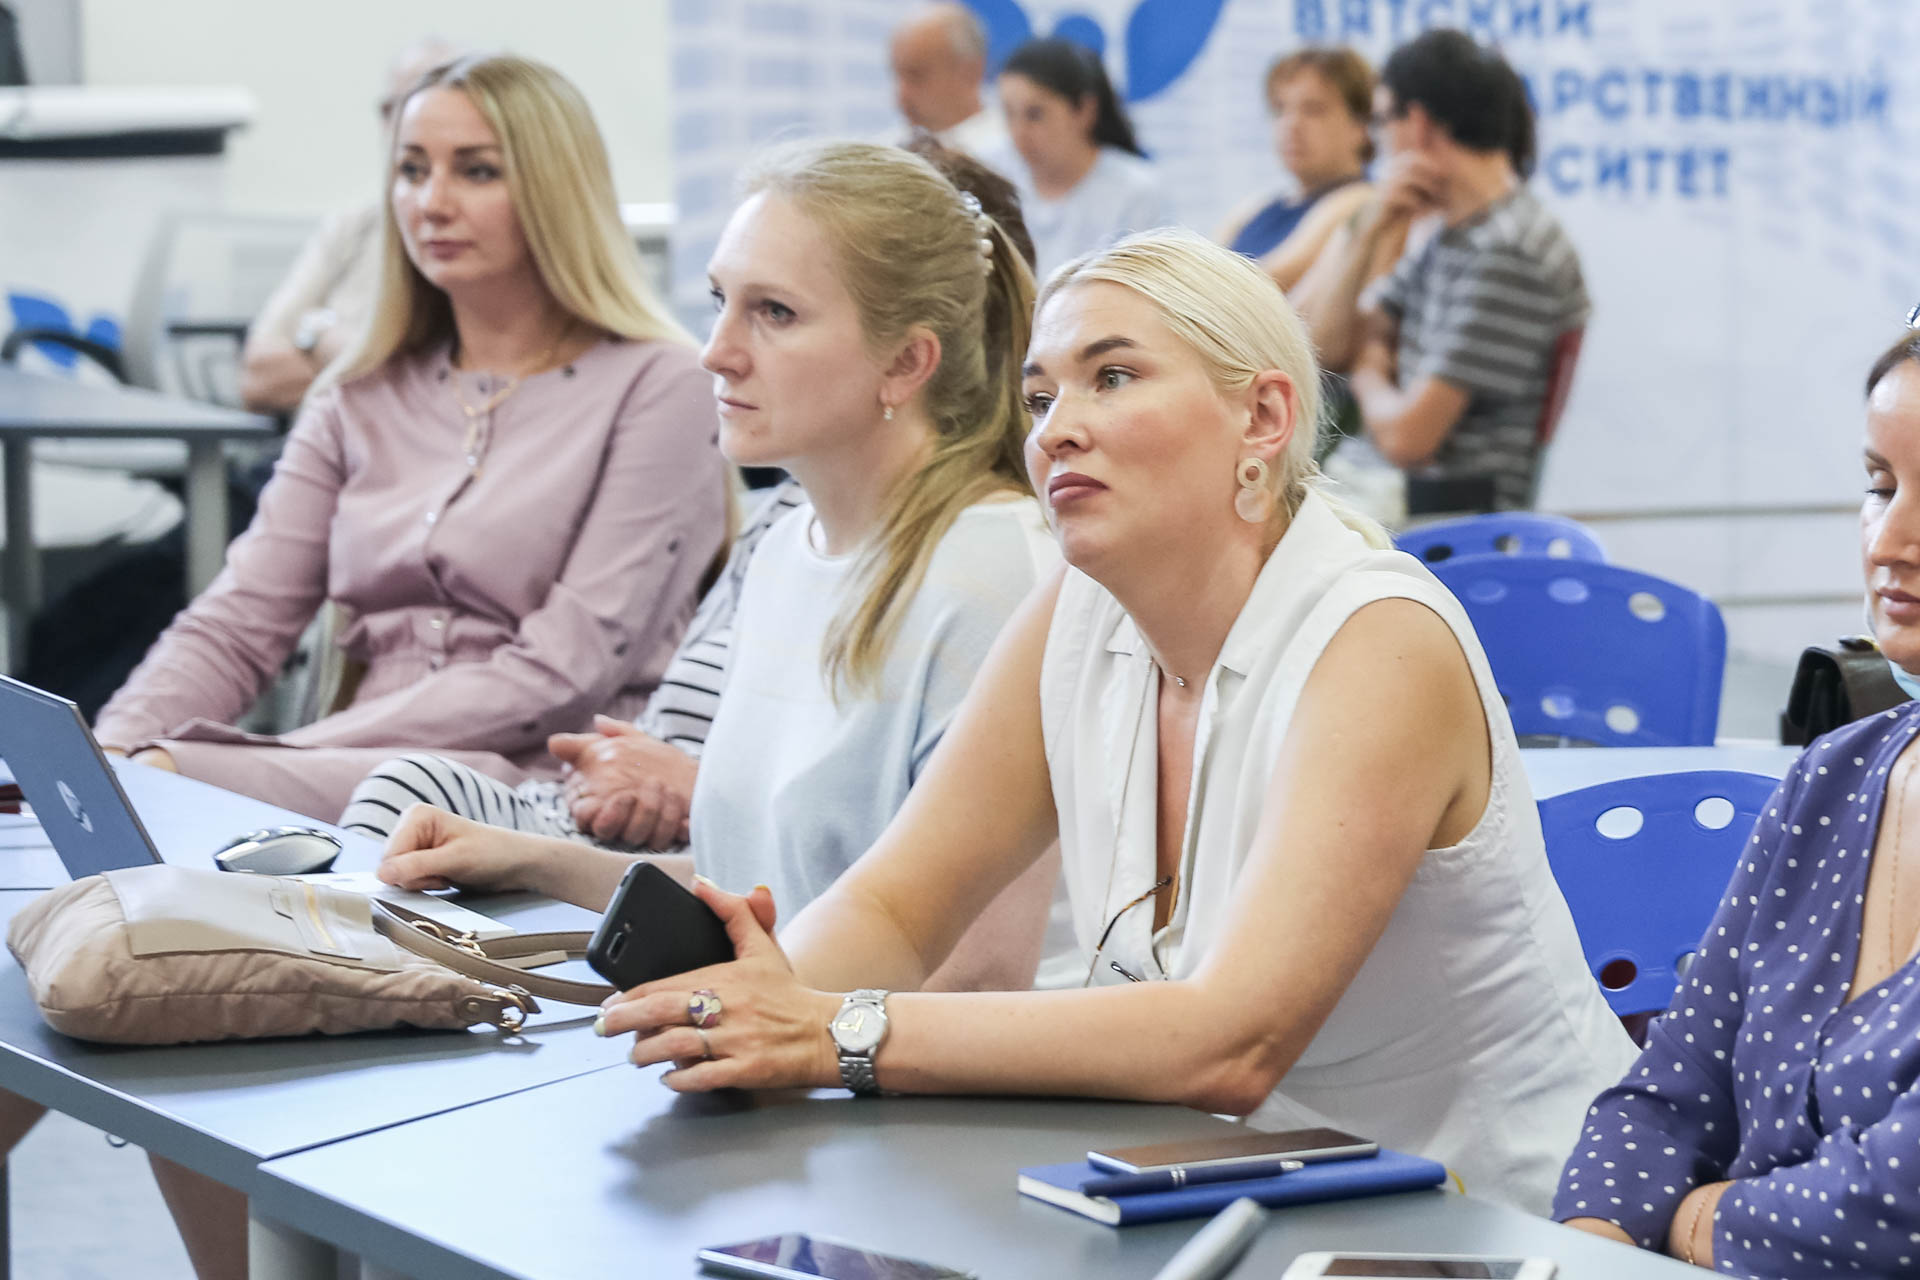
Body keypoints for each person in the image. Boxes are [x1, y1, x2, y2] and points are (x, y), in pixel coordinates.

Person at [388, 228, 1635, 1213]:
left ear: (1261, 419)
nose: (1058, 428)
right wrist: (751, 1001)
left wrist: (833, 1029)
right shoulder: (1079, 608)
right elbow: (899, 905)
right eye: (1041, 395)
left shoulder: (1377, 640)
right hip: (1235, 1189)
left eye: (1113, 376)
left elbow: (1233, 1039)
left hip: (1494, 1220)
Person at [375, 138, 1062, 994]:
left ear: (906, 362)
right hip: (799, 1039)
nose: (716, 350)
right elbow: (762, 896)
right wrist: (529, 860)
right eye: (718, 302)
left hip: (921, 1070)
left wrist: (721, 1026)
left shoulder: (996, 573)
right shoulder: (784, 550)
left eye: (774, 313)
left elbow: (980, 979)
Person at [90, 52, 729, 826]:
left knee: (167, 784)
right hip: (343, 774)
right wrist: (108, 752)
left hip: (538, 782)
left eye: (477, 171)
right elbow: (239, 623)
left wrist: (273, 758)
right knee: (117, 786)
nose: (432, 202)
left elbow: (562, 673)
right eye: (412, 170)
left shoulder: (662, 387)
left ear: (556, 190)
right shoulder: (357, 394)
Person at [1553, 332, 1920, 1276]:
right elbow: (1671, 1086)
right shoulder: (1833, 777)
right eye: (1880, 486)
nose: (1890, 542)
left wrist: (1694, 1225)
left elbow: (1897, 1212)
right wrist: (1597, 1245)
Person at [1299, 29, 1587, 522]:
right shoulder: (1457, 232)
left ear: (1417, 124)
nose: (1377, 143)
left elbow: (1406, 439)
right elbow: (1328, 345)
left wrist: (1367, 371)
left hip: (1434, 518)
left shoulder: (1508, 249)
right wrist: (1369, 230)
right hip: (1382, 496)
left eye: (1381, 120)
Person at [239, 36, 464, 414]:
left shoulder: (472, 237)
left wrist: (319, 336)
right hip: (318, 437)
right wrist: (373, 369)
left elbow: (434, 388)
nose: (413, 123)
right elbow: (258, 376)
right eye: (399, 107)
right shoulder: (353, 226)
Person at [996, 37, 1173, 281]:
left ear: (1085, 110)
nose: (1019, 132)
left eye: (1035, 114)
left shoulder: (1136, 193)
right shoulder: (992, 172)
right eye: (1009, 114)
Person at [1214, 47, 1378, 291]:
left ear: (1362, 125)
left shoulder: (1362, 201)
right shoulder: (1256, 208)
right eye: (1280, 109)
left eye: (1313, 110)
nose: (1291, 124)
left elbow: (1268, 282)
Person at [889, 3, 1008, 168]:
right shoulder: (886, 151)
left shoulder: (1012, 155)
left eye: (916, 76)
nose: (902, 93)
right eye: (898, 75)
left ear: (970, 71)